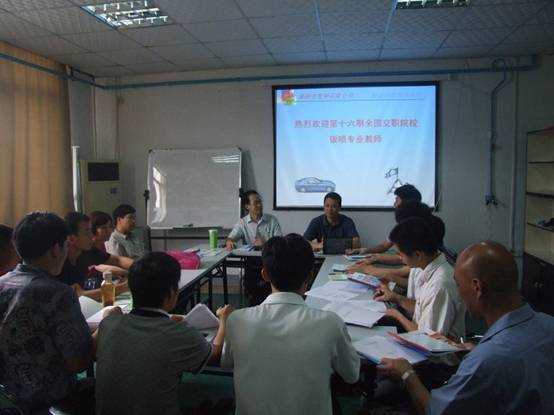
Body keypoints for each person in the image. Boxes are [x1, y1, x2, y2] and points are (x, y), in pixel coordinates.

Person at [378, 241, 554, 415]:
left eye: (459, 285)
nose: (459, 292)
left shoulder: (484, 361)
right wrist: (472, 348)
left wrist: (407, 374)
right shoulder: (549, 323)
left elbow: (435, 411)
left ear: (477, 288)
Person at [222, 234, 360, 415]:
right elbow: (352, 375)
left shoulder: (236, 321)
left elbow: (226, 363)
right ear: (310, 275)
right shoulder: (330, 323)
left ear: (264, 274)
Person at [95, 252, 233, 415]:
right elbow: (214, 355)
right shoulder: (179, 333)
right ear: (172, 293)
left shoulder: (109, 324)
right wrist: (224, 321)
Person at [0, 212, 111, 413]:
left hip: (8, 397)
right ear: (55, 250)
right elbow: (79, 361)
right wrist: (107, 324)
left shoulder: (2, 283)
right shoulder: (57, 293)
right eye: (65, 245)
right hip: (50, 400)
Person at [373, 217, 465, 339]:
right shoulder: (426, 267)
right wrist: (395, 297)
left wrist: (396, 315)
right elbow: (422, 310)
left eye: (400, 254)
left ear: (417, 255)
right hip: (419, 335)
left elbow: (428, 339)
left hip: (432, 348)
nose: (400, 259)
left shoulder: (440, 285)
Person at [347, 202, 445, 288]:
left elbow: (402, 271)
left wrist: (368, 269)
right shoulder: (422, 255)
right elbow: (414, 283)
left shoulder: (437, 279)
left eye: (397, 199)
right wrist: (377, 257)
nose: (394, 204)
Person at [60, 212, 132, 301]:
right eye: (87, 232)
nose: (92, 236)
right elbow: (78, 296)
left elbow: (117, 260)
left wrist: (141, 267)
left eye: (91, 231)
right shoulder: (60, 262)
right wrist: (125, 286)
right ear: (71, 239)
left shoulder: (87, 251)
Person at [226, 190, 282, 305]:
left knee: (268, 289)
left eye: (260, 202)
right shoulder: (242, 223)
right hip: (251, 263)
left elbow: (280, 243)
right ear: (247, 206)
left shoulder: (272, 220)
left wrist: (266, 243)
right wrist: (229, 241)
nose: (260, 205)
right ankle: (252, 300)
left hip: (270, 262)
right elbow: (231, 238)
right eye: (256, 203)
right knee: (253, 289)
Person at [348, 184, 422, 256]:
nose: (394, 204)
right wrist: (365, 250)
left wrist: (379, 258)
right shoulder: (402, 224)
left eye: (397, 200)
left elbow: (411, 258)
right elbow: (384, 246)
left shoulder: (420, 226)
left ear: (407, 202)